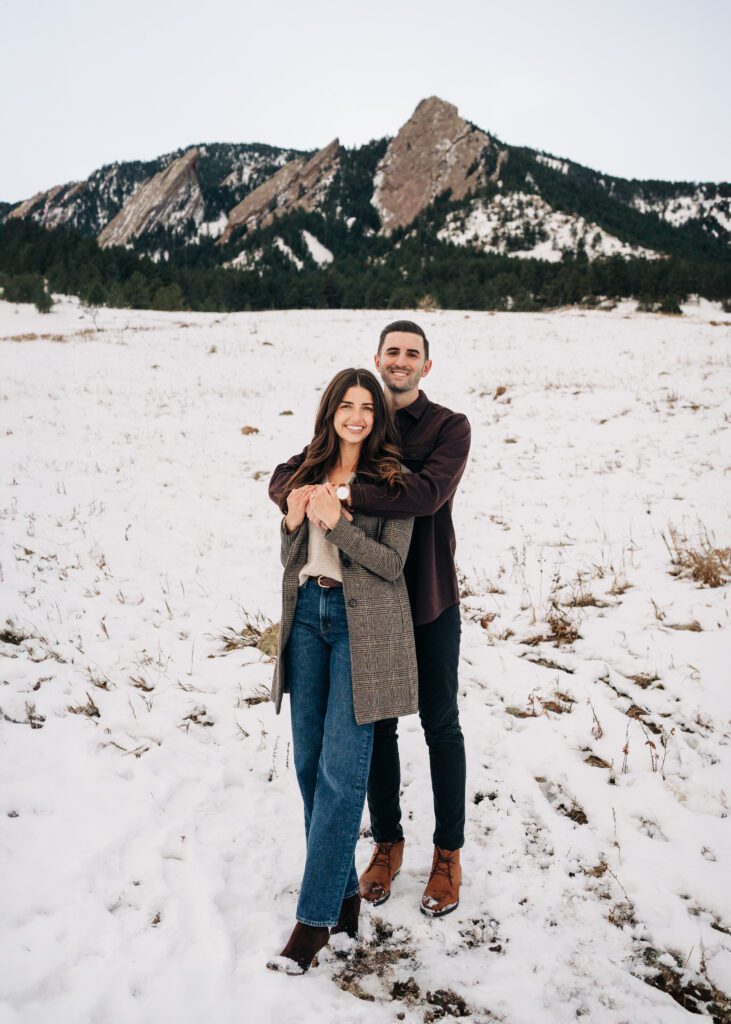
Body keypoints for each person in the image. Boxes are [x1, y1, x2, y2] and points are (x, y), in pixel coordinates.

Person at [269, 321, 471, 918]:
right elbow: (289, 474)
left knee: (440, 723)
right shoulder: (362, 418)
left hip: (425, 595)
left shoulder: (447, 428)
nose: (401, 361)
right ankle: (386, 844)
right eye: (393, 352)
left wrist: (344, 497)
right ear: (377, 359)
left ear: (426, 366)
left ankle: (447, 855)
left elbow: (425, 493)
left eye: (413, 353)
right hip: (363, 605)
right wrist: (297, 499)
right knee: (376, 726)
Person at [267, 367, 418, 975]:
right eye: (345, 406)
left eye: (366, 407)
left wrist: (340, 523)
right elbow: (291, 557)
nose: (356, 415)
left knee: (339, 770)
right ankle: (345, 899)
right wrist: (292, 523)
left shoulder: (392, 481)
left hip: (364, 631)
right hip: (307, 619)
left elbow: (390, 564)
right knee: (307, 764)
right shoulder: (306, 471)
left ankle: (312, 923)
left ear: (377, 417)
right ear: (330, 412)